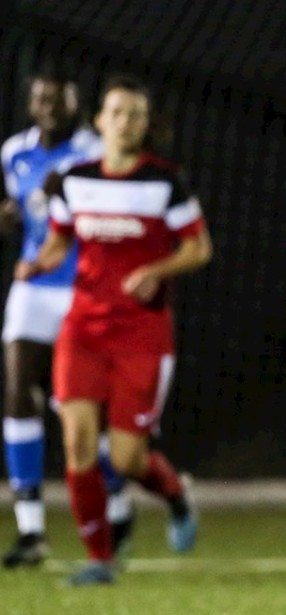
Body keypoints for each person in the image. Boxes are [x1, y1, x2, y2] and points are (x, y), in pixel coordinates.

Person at [0, 68, 193, 568]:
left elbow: (197, 247)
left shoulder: (151, 176)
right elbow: (52, 232)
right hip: (69, 311)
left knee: (123, 451)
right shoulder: (32, 160)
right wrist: (34, 257)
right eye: (117, 112)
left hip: (127, 320)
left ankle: (146, 499)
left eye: (134, 114)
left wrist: (156, 270)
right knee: (48, 415)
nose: (124, 121)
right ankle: (56, 539)